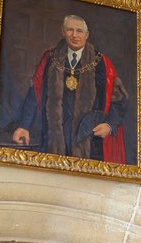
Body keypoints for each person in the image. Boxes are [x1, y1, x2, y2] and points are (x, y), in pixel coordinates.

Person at [12, 15, 129, 162]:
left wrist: (109, 125)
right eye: (70, 30)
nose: (74, 35)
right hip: (53, 140)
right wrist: (24, 125)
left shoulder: (102, 63)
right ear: (63, 31)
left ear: (86, 35)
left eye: (79, 31)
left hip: (90, 142)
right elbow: (34, 93)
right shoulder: (50, 58)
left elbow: (119, 101)